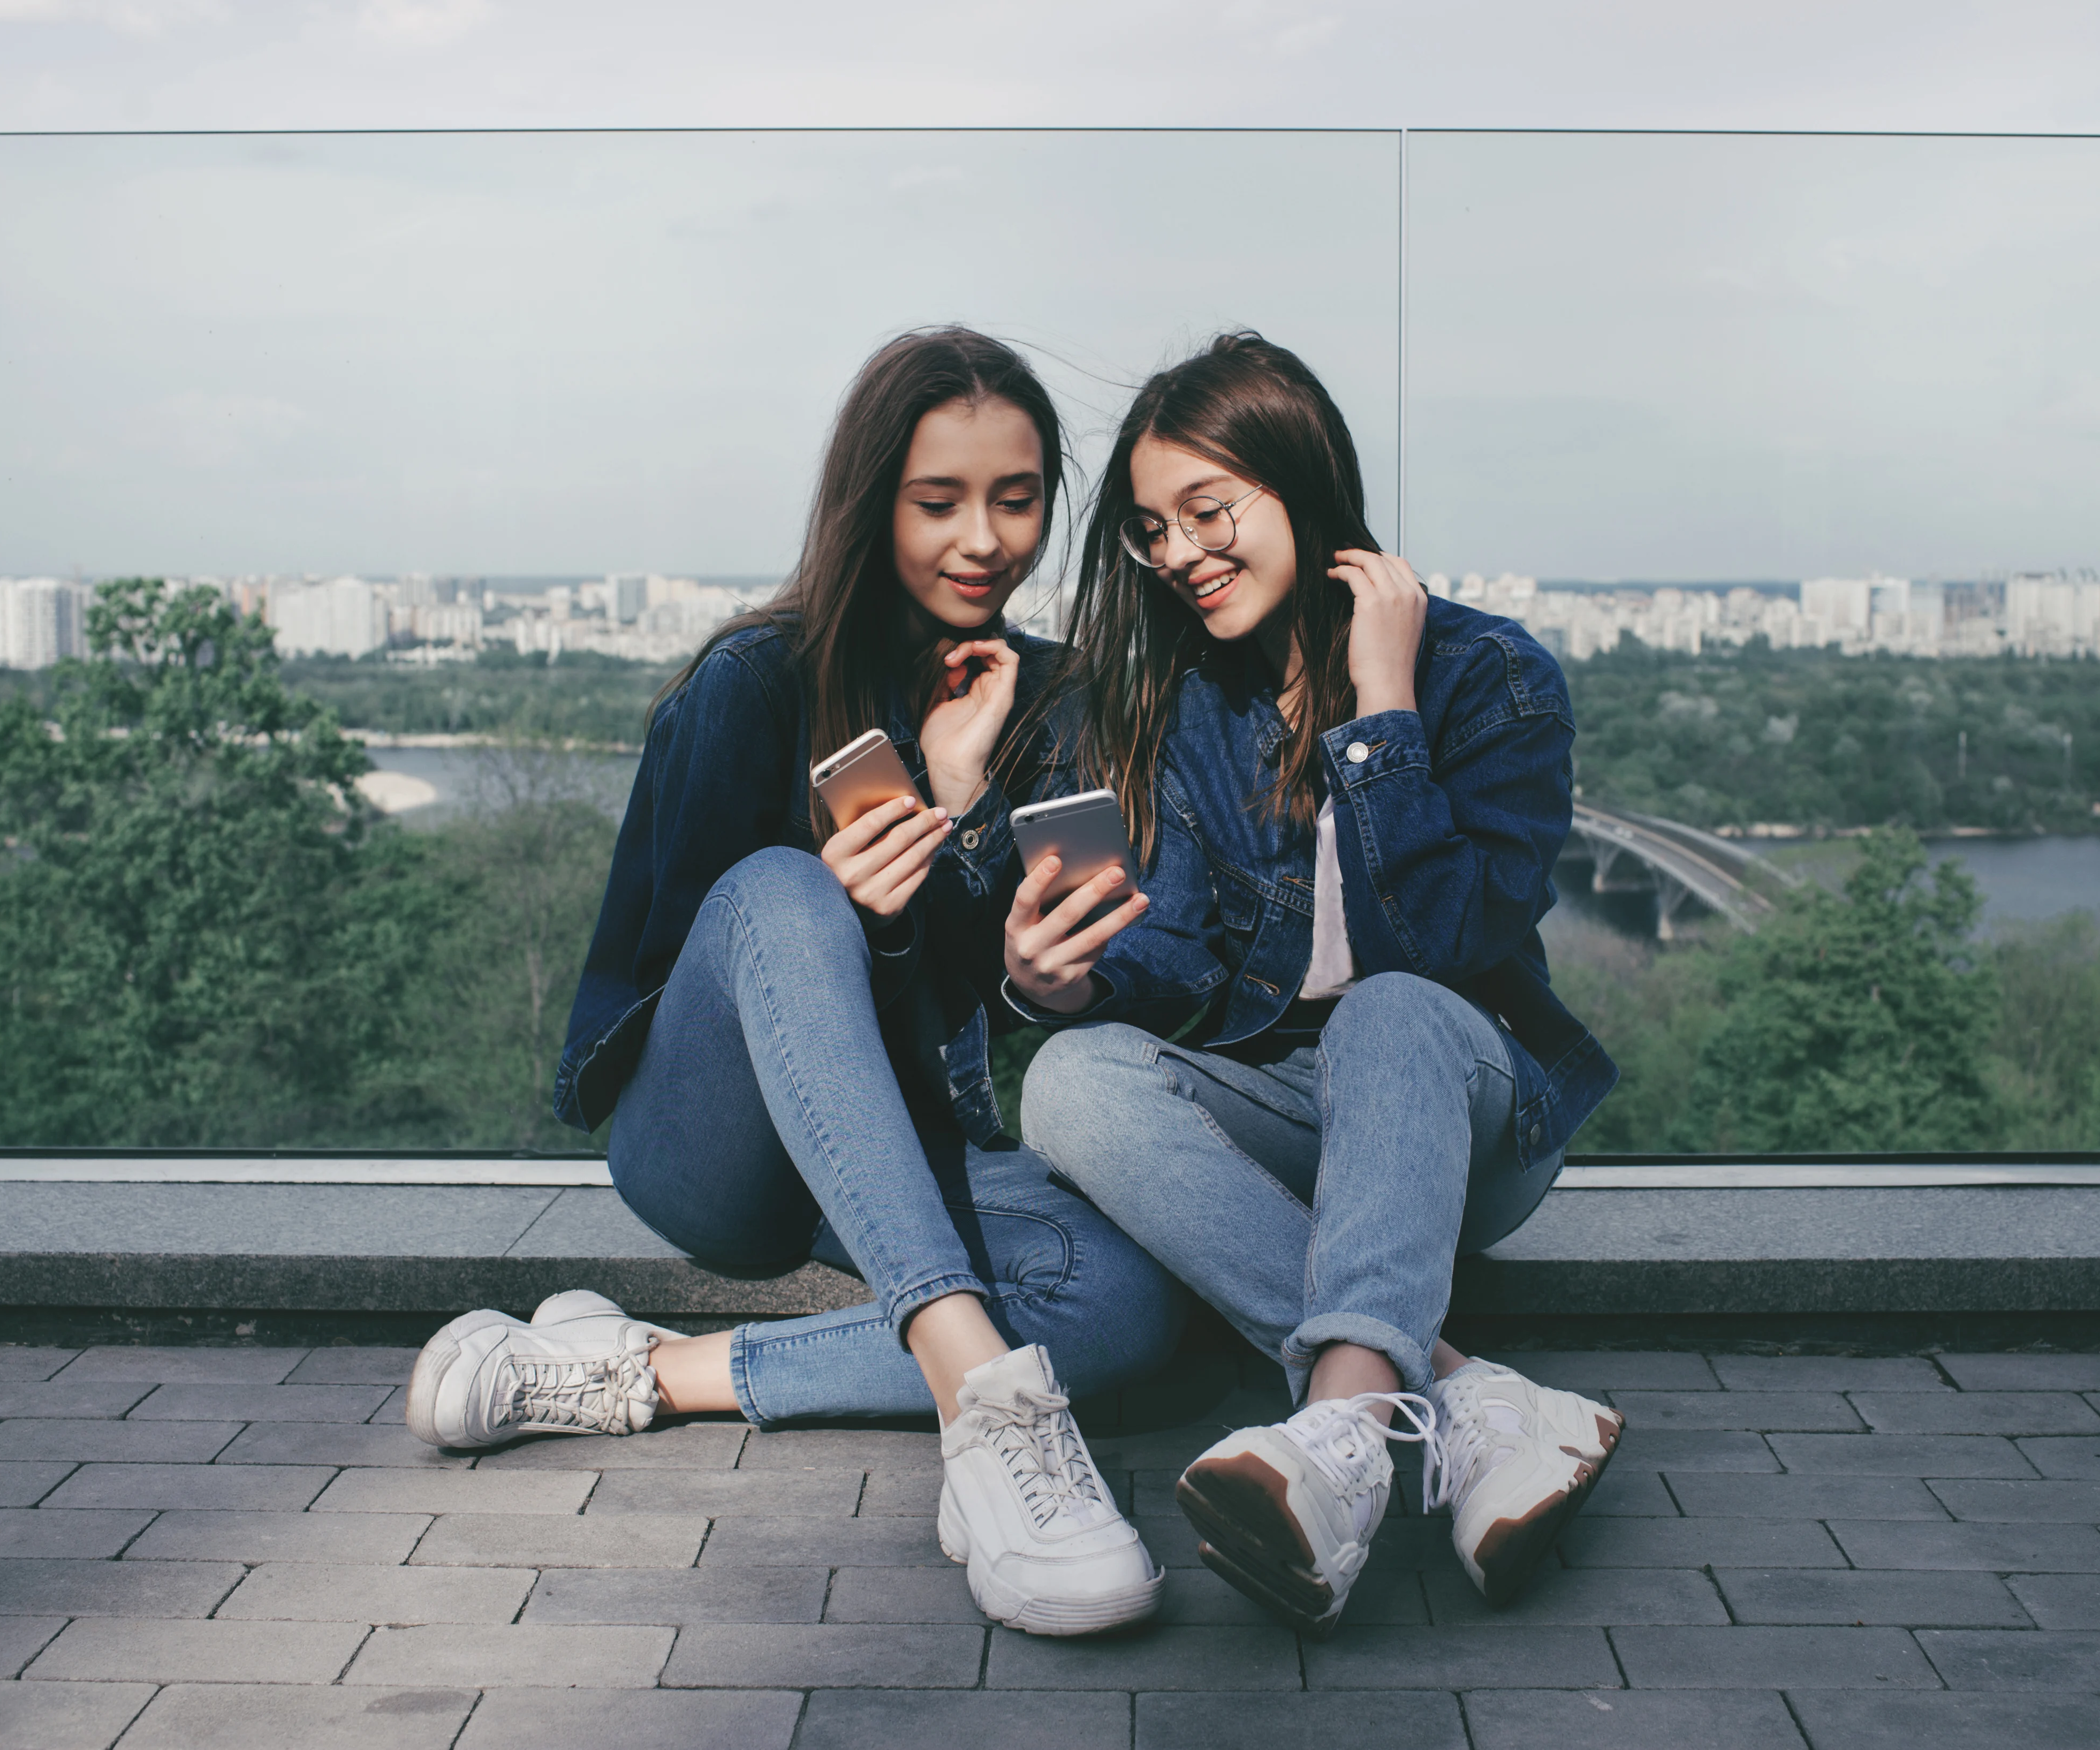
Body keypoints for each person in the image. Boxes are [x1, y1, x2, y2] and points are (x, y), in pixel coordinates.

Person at [404, 327, 1181, 1638]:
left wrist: (967, 809)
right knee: (783, 886)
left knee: (1129, 1302)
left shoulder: (1054, 700)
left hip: (920, 1153)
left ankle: (638, 1371)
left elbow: (1007, 1027)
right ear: (868, 499)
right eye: (937, 501)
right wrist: (858, 916)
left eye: (1017, 496)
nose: (982, 539)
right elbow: (681, 982)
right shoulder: (751, 684)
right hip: (718, 1150)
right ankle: (995, 1423)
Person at [1009, 332, 1625, 1636]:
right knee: (1067, 1078)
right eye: (1150, 528)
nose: (1175, 554)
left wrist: (1380, 709)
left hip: (1461, 1110)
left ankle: (1337, 1426)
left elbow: (1447, 949)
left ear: (1304, 482)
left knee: (1392, 1007)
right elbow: (1174, 964)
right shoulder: (1186, 703)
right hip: (1287, 1112)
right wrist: (1058, 980)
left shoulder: (1488, 676)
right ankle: (1465, 1398)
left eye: (1206, 511)